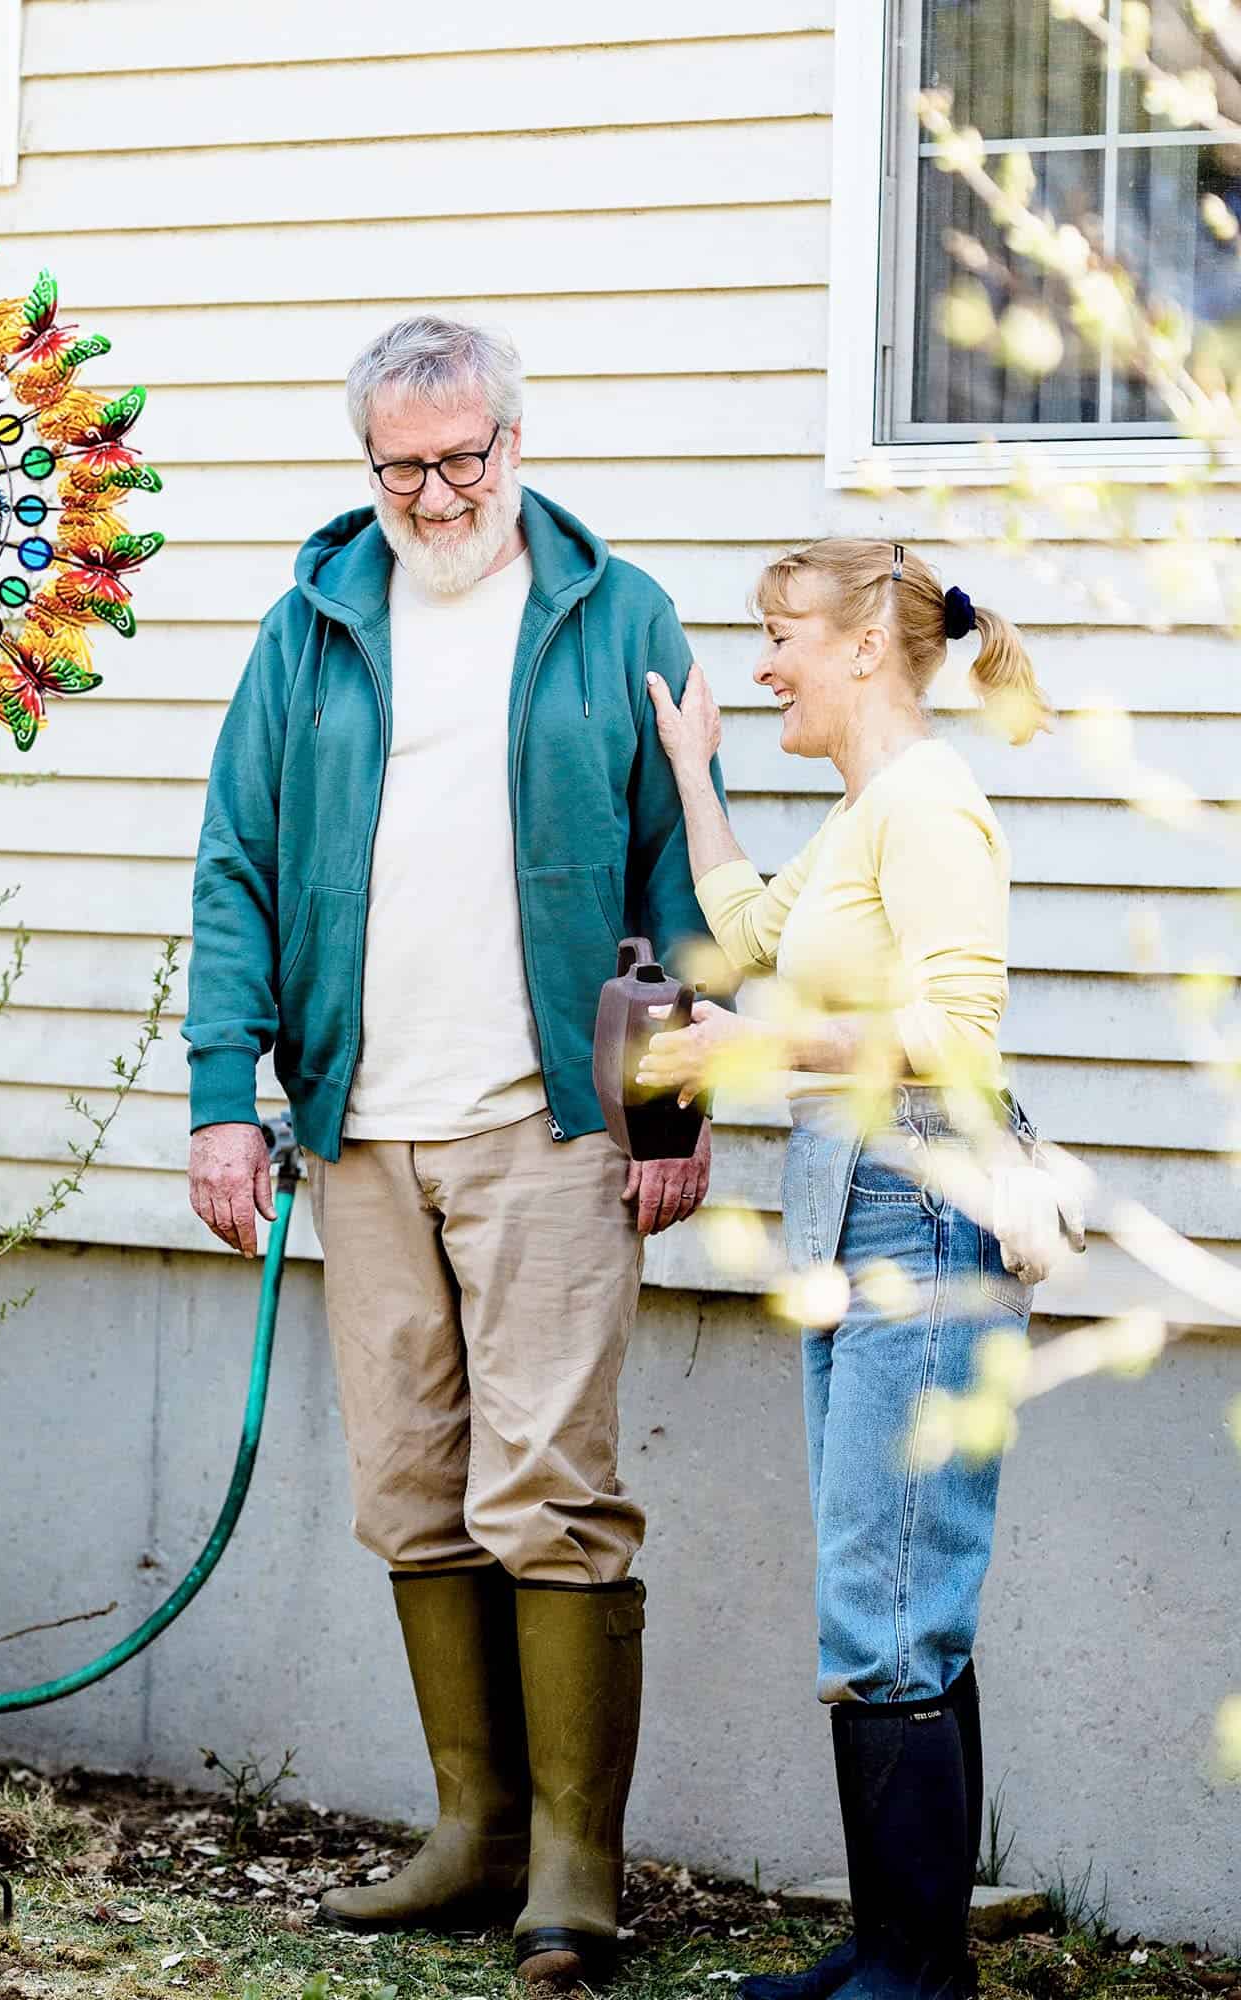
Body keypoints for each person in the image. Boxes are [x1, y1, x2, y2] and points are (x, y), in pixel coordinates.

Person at [183, 314, 719, 1988]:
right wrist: (224, 1091)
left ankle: (576, 1862)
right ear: (369, 469)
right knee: (412, 1489)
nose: (435, 491)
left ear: (515, 443)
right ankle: (472, 1831)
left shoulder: (612, 614)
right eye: (402, 465)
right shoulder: (315, 627)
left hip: (551, 1125)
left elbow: (681, 881)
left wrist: (675, 1106)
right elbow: (238, 865)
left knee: (550, 1490)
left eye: (463, 456)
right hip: (358, 1127)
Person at [637, 540, 1060, 2000]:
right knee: (884, 1599)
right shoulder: (869, 811)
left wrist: (750, 1050)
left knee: (889, 1606)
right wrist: (695, 766)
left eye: (779, 637)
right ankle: (899, 1950)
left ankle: (915, 1976)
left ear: (866, 646)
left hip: (922, 1217)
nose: (762, 667)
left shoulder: (933, 809)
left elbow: (958, 1037)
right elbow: (745, 934)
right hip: (860, 1215)